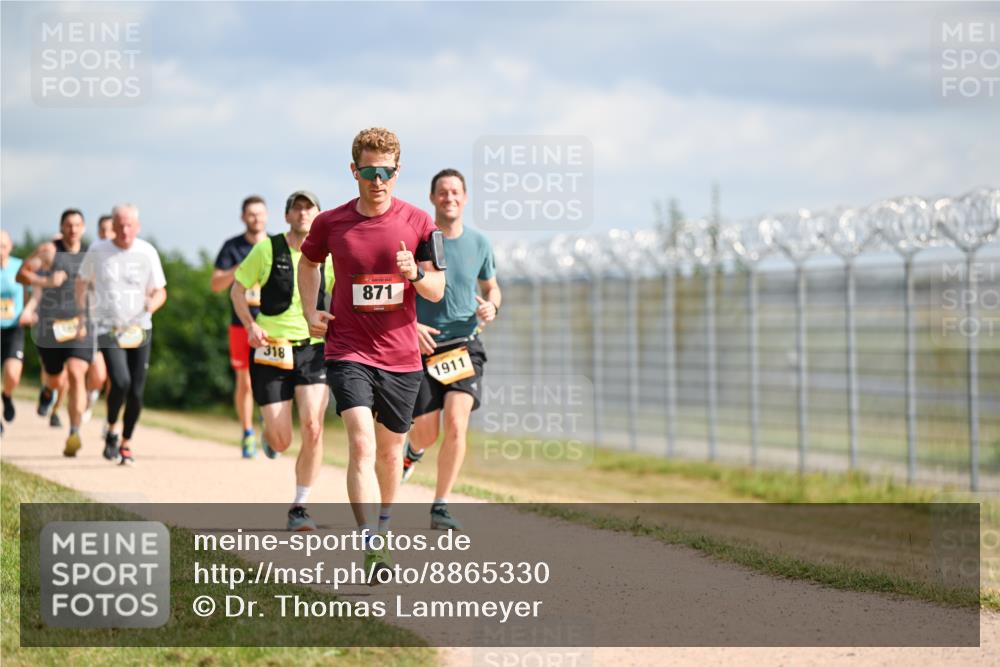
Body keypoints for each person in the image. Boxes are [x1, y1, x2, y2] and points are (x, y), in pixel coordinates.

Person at [299, 127, 445, 581]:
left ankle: (384, 524)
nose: (377, 181)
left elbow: (437, 289)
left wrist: (414, 274)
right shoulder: (330, 223)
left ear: (397, 172)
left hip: (401, 356)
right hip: (348, 349)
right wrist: (310, 310)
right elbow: (308, 263)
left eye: (385, 172)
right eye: (368, 172)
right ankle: (370, 545)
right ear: (354, 171)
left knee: (389, 453)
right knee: (361, 443)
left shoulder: (420, 222)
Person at [402, 169, 501, 531]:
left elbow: (491, 287)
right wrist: (411, 327)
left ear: (465, 197)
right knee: (427, 433)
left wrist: (492, 306)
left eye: (455, 191)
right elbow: (399, 291)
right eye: (442, 192)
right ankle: (413, 453)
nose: (449, 198)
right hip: (423, 346)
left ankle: (440, 506)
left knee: (457, 423)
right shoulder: (418, 242)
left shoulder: (479, 243)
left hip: (464, 345)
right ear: (432, 198)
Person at [231, 190, 334, 531]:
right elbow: (237, 289)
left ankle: (300, 506)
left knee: (314, 427)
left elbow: (342, 294)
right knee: (282, 441)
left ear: (318, 215)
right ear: (287, 216)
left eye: (309, 208)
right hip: (271, 347)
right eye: (297, 208)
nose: (303, 213)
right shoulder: (267, 249)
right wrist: (250, 326)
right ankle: (269, 432)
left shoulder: (329, 255)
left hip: (313, 349)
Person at [77, 204, 167, 465]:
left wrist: (151, 305)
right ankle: (112, 427)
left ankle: (125, 443)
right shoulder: (98, 250)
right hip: (109, 328)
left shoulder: (147, 252)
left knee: (136, 391)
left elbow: (161, 291)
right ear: (112, 226)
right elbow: (82, 282)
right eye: (120, 225)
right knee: (120, 381)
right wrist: (82, 315)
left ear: (137, 227)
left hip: (140, 329)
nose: (125, 230)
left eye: (130, 225)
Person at [16, 209, 94, 455]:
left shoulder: (90, 256)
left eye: (77, 225)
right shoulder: (49, 251)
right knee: (56, 379)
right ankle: (48, 389)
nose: (73, 229)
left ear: (83, 228)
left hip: (80, 325)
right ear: (61, 227)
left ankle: (74, 433)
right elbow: (22, 275)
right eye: (68, 225)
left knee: (76, 372)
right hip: (51, 326)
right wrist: (46, 281)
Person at [212, 195, 268, 458]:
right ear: (243, 217)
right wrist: (240, 269)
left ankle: (270, 427)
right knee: (245, 381)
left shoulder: (276, 245)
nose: (256, 218)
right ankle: (247, 433)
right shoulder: (232, 247)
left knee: (272, 379)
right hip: (241, 324)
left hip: (272, 323)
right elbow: (215, 284)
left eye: (260, 213)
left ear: (267, 216)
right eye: (251, 214)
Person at [1, 230, 34, 435]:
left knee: (12, 374)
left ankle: (7, 395)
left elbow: (31, 293)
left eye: (3, 246)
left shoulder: (20, 266)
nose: (0, 251)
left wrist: (28, 311)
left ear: (10, 247)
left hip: (14, 328)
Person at [83, 214, 114, 426]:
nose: (105, 234)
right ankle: (90, 398)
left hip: (119, 325)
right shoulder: (94, 254)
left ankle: (110, 420)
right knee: (100, 375)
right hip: (96, 322)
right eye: (102, 230)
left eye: (109, 230)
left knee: (117, 377)